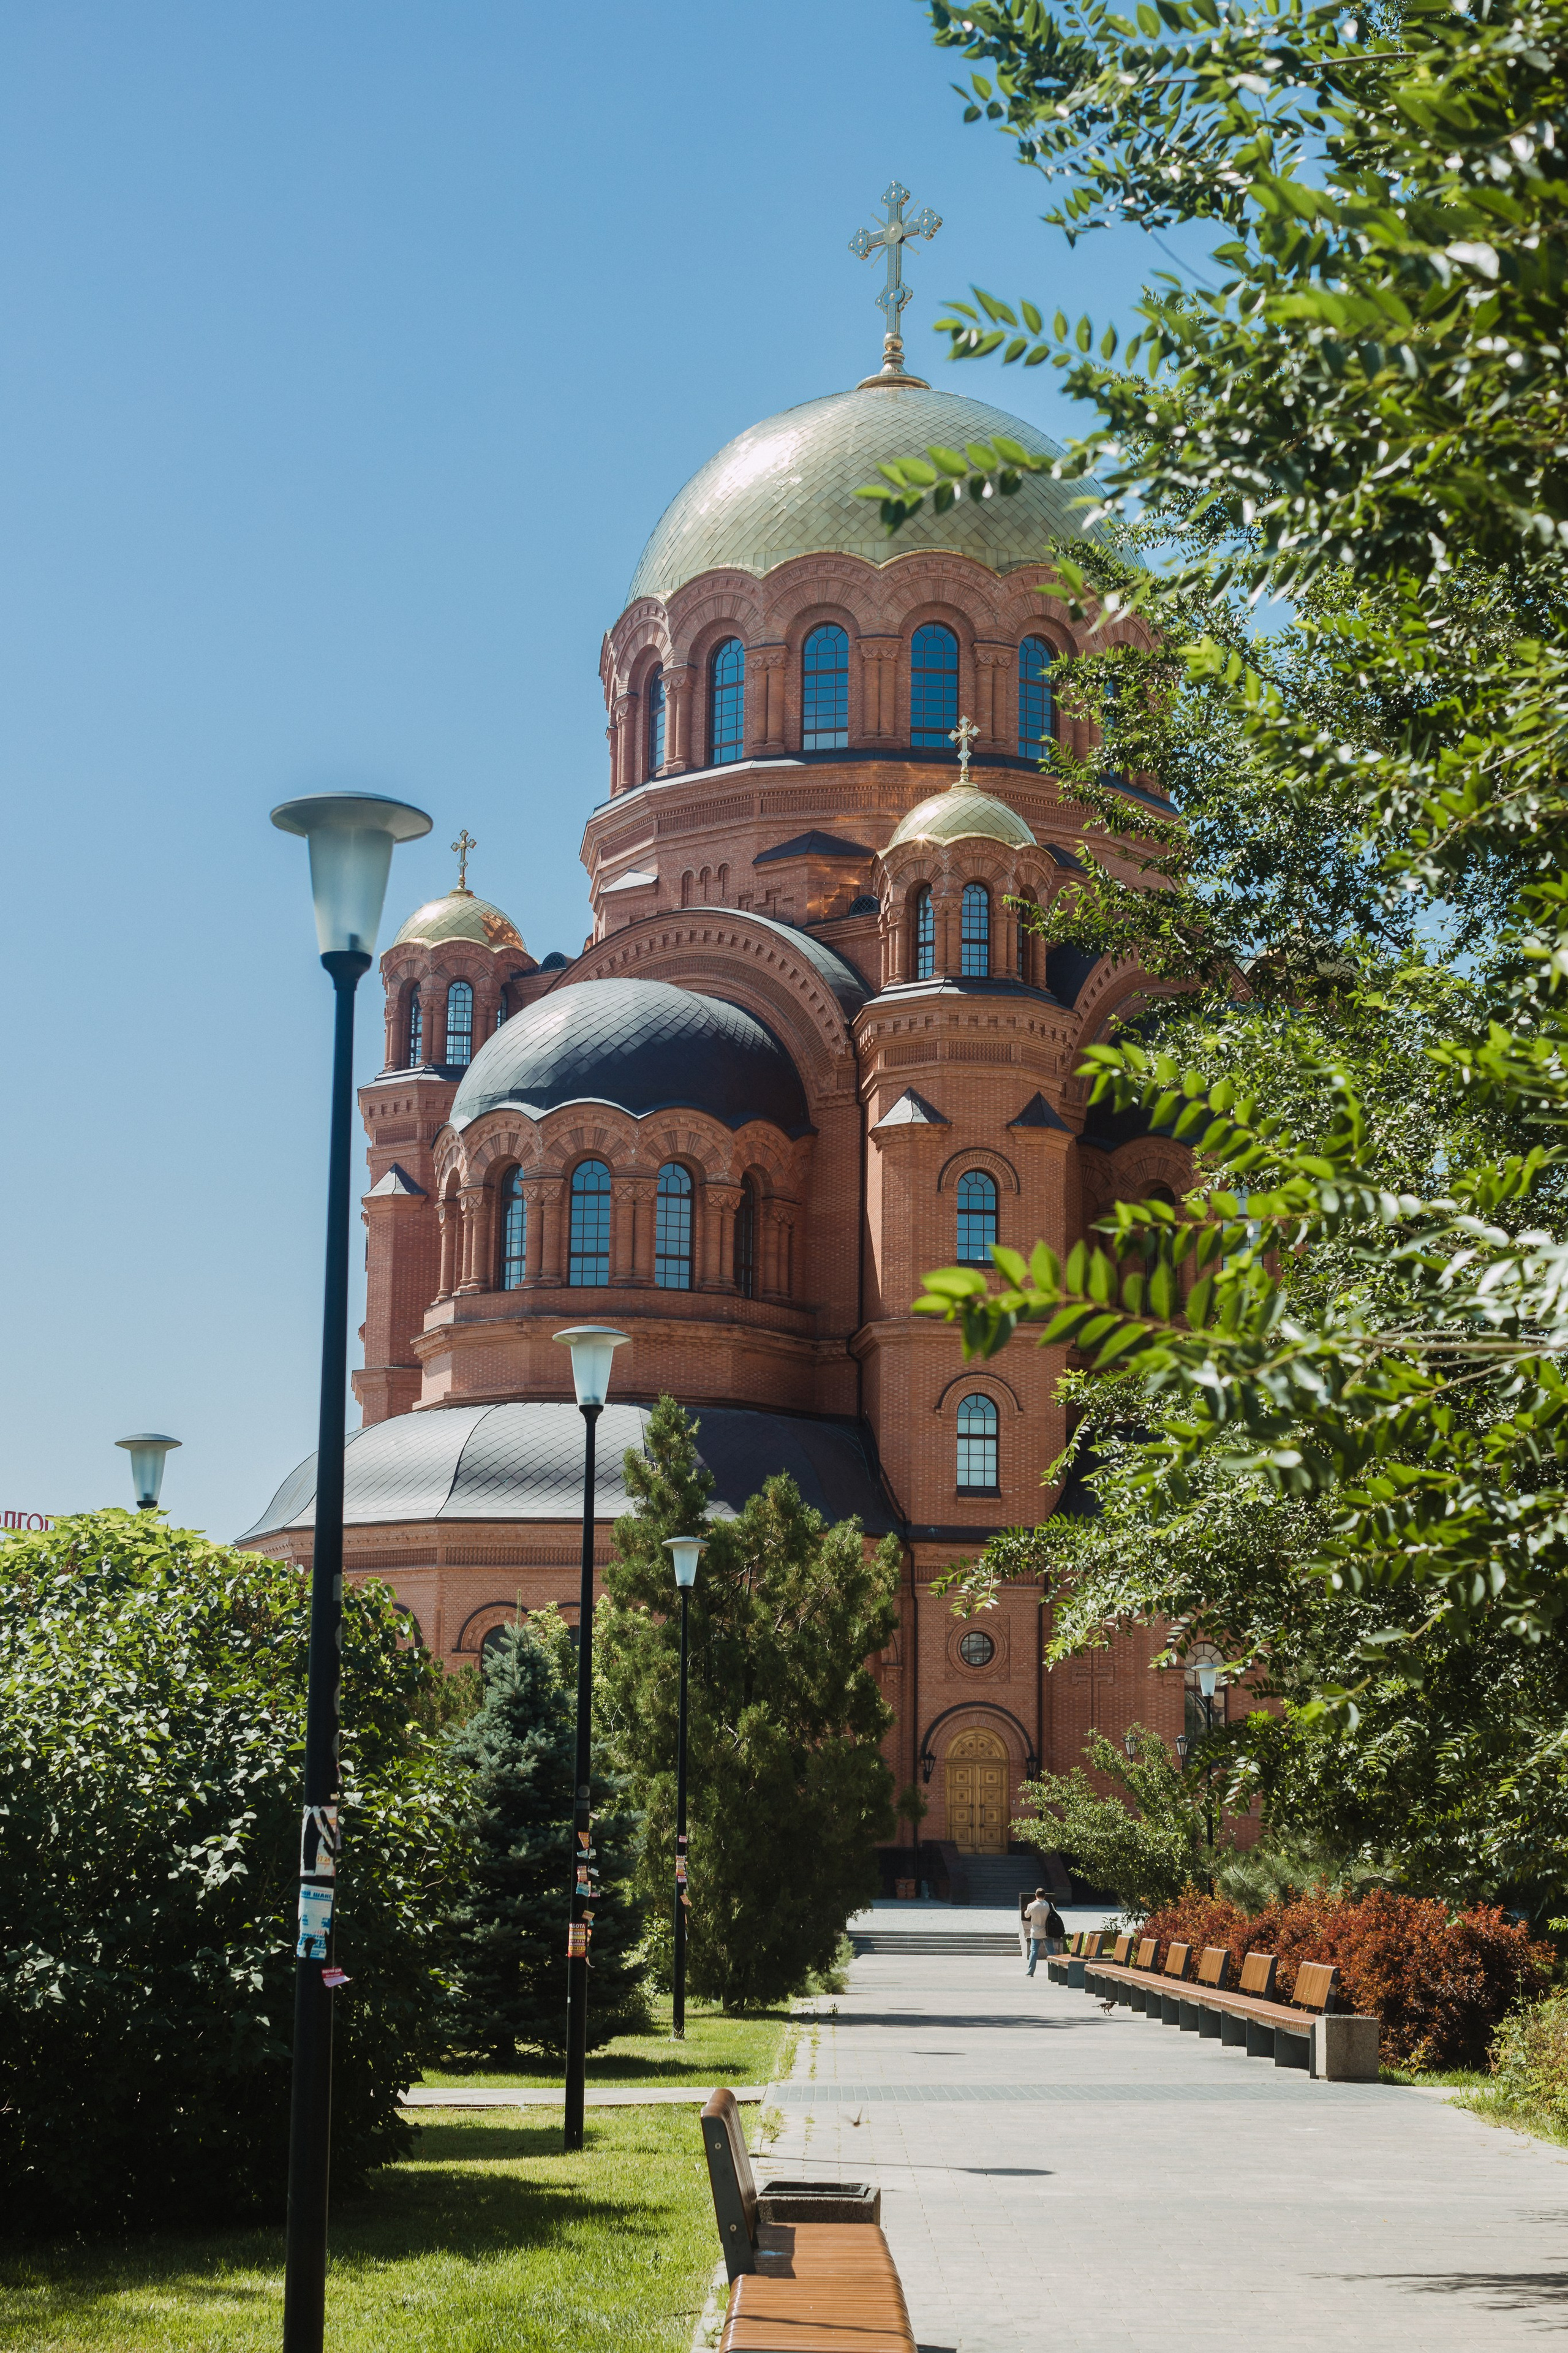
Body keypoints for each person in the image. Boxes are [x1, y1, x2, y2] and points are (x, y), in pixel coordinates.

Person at [1023, 1889, 1065, 1976]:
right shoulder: (1049, 1905)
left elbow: (1026, 1915)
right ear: (1045, 1896)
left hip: (1035, 1932)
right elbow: (1055, 1914)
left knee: (1034, 1952)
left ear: (1036, 1895)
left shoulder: (1031, 1905)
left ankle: (1030, 1972)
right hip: (1047, 1932)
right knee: (1051, 1951)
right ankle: (1054, 1972)